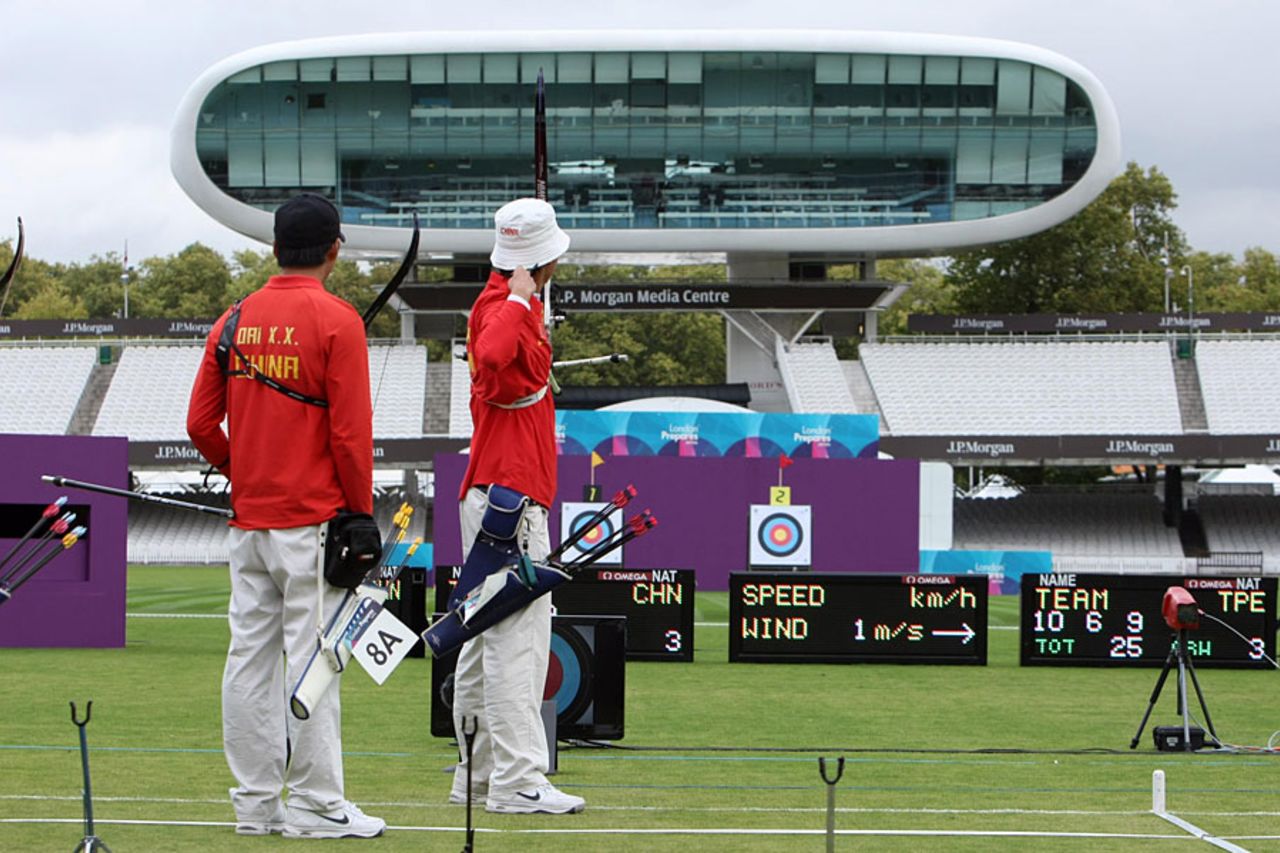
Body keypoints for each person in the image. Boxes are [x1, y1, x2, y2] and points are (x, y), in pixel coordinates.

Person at [186, 192, 385, 839]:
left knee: (248, 659)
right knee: (315, 659)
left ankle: (255, 804)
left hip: (250, 525)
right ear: (334, 250)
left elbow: (199, 424)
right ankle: (317, 801)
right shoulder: (337, 320)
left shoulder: (234, 319)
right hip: (313, 523)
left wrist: (241, 469)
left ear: (274, 247)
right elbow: (351, 437)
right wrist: (360, 512)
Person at [450, 197, 584, 815]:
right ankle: (516, 781)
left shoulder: (501, 303)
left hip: (497, 492)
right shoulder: (503, 307)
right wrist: (524, 293)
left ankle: (474, 779)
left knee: (483, 640)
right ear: (540, 260)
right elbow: (500, 353)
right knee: (516, 645)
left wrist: (525, 295)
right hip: (511, 499)